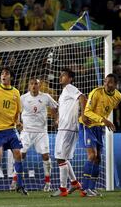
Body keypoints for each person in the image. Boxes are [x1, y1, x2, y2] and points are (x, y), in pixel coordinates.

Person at [0, 67, 28, 196]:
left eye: (7, 74)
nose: (4, 76)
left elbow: (18, 111)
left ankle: (20, 185)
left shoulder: (15, 92)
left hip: (10, 129)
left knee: (18, 155)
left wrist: (19, 122)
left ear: (11, 77)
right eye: (2, 74)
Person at [80, 74, 121, 197]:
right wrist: (104, 120)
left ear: (115, 84)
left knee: (98, 159)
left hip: (99, 127)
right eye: (106, 82)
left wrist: (103, 122)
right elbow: (87, 111)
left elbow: (109, 108)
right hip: (87, 125)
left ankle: (92, 188)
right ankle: (85, 187)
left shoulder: (118, 96)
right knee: (92, 155)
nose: (107, 85)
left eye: (110, 83)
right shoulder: (96, 92)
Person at [51, 68, 90, 197]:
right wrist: (58, 118)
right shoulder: (64, 92)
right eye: (60, 75)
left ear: (70, 78)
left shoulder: (69, 88)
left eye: (64, 75)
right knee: (62, 158)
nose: (61, 77)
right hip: (64, 127)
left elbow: (83, 98)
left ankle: (63, 190)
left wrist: (83, 115)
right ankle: (74, 183)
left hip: (68, 128)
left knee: (60, 158)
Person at [16, 78, 58, 192]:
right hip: (26, 131)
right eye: (32, 84)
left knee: (45, 156)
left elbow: (54, 107)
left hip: (41, 132)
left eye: (36, 84)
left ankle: (48, 182)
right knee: (21, 155)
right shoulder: (23, 98)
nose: (34, 86)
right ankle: (16, 180)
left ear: (39, 86)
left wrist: (56, 119)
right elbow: (17, 111)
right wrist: (18, 122)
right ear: (29, 86)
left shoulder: (46, 97)